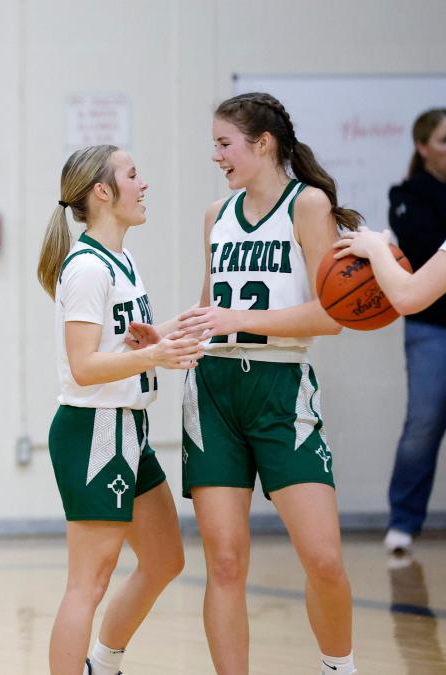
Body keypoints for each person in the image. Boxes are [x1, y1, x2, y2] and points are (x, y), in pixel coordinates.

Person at [177, 92, 358, 675]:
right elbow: (211, 310)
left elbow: (331, 315)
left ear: (263, 144)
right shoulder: (215, 215)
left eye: (224, 144)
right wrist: (170, 333)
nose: (217, 156)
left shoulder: (309, 205)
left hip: (281, 391)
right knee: (225, 563)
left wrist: (241, 320)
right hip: (214, 391)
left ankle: (340, 667)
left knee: (324, 559)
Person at [36, 144, 201, 675]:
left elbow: (118, 348)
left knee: (164, 560)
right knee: (88, 582)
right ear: (103, 192)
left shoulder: (121, 258)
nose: (143, 184)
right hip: (94, 429)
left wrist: (177, 330)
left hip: (129, 425)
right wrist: (154, 355)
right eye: (133, 175)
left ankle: (102, 664)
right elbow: (84, 366)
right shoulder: (85, 267)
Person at [333, 108, 446, 554]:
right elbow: (416, 269)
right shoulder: (409, 192)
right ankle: (403, 521)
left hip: (418, 300)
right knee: (423, 423)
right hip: (431, 326)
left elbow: (409, 289)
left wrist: (377, 248)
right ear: (422, 147)